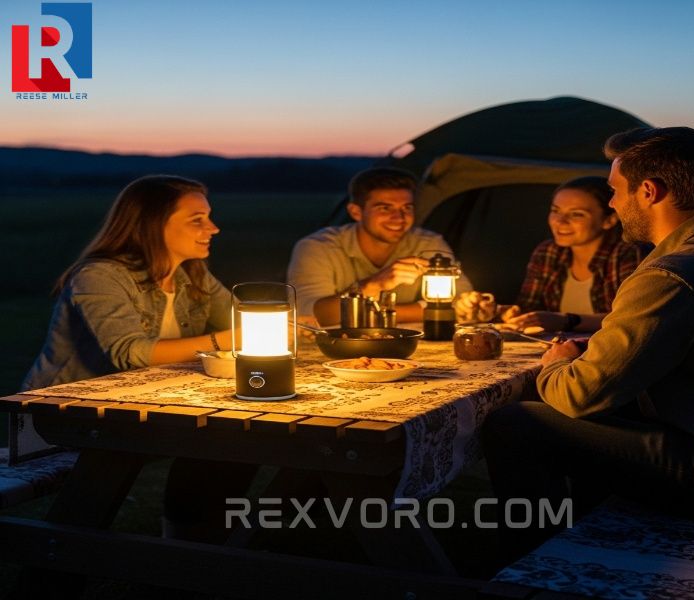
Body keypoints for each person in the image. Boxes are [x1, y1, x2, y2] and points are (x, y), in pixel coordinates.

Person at [483, 127, 694, 558]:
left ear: (649, 191)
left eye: (615, 191)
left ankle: (528, 566)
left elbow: (579, 395)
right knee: (613, 414)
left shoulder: (673, 273)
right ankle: (579, 538)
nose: (613, 203)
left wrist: (557, 363)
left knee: (517, 424)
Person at [21, 175, 255, 542]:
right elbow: (130, 354)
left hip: (143, 406)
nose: (214, 227)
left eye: (209, 217)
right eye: (197, 219)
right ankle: (188, 551)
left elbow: (242, 316)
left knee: (239, 434)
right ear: (152, 223)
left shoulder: (192, 274)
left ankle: (197, 545)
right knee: (225, 437)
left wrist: (299, 324)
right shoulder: (100, 275)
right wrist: (232, 338)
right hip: (67, 416)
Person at [287, 167, 472, 326]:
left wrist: (372, 313)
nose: (399, 218)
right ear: (356, 212)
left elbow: (462, 303)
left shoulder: (428, 244)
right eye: (385, 208)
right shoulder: (319, 247)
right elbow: (308, 314)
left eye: (407, 208)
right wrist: (375, 285)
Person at [507, 176, 645, 333]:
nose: (560, 221)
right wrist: (502, 312)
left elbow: (632, 318)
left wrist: (565, 320)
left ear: (609, 220)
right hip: (551, 350)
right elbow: (528, 308)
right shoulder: (548, 252)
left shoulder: (626, 254)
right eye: (555, 211)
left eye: (577, 214)